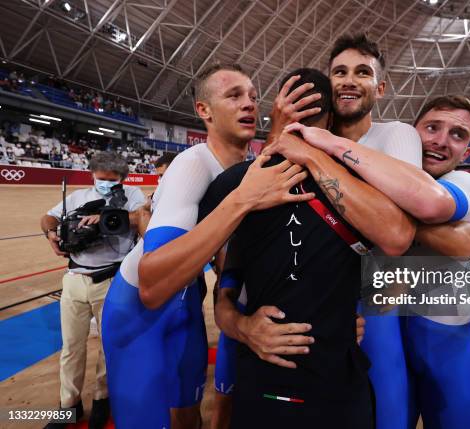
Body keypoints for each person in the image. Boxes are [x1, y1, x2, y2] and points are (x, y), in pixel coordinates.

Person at [101, 63, 315, 429]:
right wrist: (242, 201)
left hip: (187, 309)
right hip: (139, 315)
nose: (249, 104)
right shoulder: (193, 165)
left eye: (252, 96)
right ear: (204, 111)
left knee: (189, 419)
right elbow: (153, 284)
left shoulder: (247, 169)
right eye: (233, 95)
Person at [200, 66, 416, 429]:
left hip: (268, 377)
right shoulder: (362, 184)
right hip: (337, 379)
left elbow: (224, 270)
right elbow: (398, 240)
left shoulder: (236, 182)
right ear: (331, 120)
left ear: (277, 114)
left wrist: (236, 321)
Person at [292, 93, 470, 429]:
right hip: (386, 334)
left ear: (467, 153)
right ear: (412, 135)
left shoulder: (463, 181)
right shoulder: (382, 173)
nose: (441, 141)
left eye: (458, 135)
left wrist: (380, 212)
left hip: (447, 344)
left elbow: (446, 225)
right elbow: (459, 240)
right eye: (432, 128)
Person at [40, 152, 147, 429]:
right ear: (92, 175)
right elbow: (48, 218)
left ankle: (103, 399)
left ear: (122, 179)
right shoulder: (76, 197)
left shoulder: (133, 195)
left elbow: (141, 218)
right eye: (101, 179)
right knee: (70, 348)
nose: (106, 185)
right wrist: (50, 234)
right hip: (75, 278)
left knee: (108, 347)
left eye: (112, 181)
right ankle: (69, 405)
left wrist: (105, 217)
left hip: (112, 280)